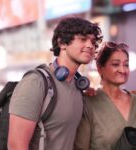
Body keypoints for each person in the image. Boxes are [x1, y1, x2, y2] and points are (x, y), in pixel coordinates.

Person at [7, 16, 102, 150]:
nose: (90, 45)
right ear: (62, 43)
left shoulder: (78, 87)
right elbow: (16, 145)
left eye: (93, 42)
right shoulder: (35, 83)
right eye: (83, 39)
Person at [74, 41, 136, 150]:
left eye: (126, 64)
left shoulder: (134, 100)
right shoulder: (89, 103)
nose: (122, 70)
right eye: (115, 64)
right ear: (100, 68)